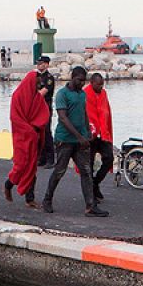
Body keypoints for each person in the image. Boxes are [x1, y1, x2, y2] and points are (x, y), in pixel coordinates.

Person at [42, 66, 105, 216]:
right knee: (59, 171)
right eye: (79, 80)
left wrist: (88, 131)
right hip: (65, 139)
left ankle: (90, 205)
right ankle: (47, 199)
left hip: (81, 140)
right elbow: (63, 118)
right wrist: (79, 137)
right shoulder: (62, 94)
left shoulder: (82, 94)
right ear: (72, 77)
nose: (82, 83)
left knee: (86, 172)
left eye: (83, 81)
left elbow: (84, 113)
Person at [4, 69, 49, 207]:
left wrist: (36, 130)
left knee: (32, 167)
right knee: (21, 164)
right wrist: (29, 129)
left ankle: (30, 198)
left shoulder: (37, 97)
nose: (37, 86)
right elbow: (15, 118)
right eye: (36, 83)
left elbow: (43, 114)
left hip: (34, 136)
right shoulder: (18, 96)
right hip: (22, 135)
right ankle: (9, 184)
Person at [85, 71, 114, 203]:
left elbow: (106, 111)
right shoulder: (85, 94)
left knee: (109, 159)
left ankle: (96, 183)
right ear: (92, 83)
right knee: (89, 164)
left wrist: (106, 130)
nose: (101, 87)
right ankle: (91, 192)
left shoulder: (104, 94)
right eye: (98, 85)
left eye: (102, 85)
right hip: (91, 134)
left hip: (102, 133)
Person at [34, 56, 57, 167]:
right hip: (37, 108)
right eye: (38, 63)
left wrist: (32, 96)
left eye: (41, 63)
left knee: (46, 132)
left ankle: (50, 159)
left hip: (45, 107)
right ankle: (41, 158)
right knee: (38, 132)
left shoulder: (49, 78)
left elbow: (42, 92)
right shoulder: (36, 77)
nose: (39, 65)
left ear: (47, 64)